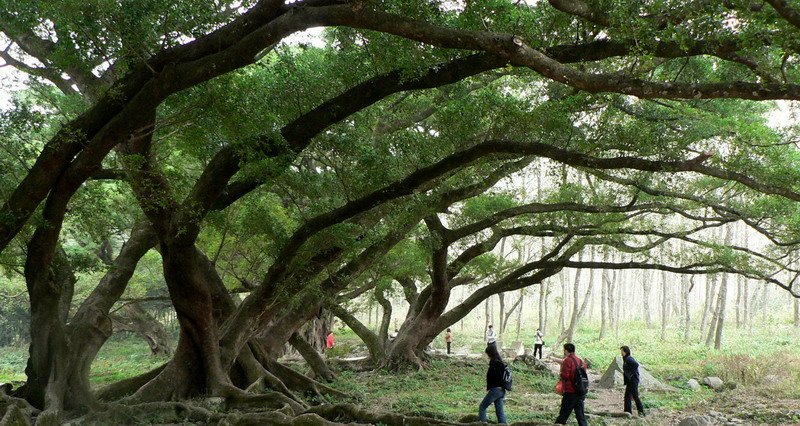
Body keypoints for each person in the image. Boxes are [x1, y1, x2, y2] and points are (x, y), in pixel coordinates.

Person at [550, 343, 588, 426]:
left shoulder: (568, 360)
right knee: (580, 415)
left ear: (566, 350)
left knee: (563, 414)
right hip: (581, 390)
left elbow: (565, 375)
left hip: (570, 391)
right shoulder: (580, 361)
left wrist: (560, 373)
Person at [478, 344, 507, 424]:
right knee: (500, 411)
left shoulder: (495, 363)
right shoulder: (500, 362)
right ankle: (503, 424)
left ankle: (482, 424)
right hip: (502, 390)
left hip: (495, 390)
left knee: (482, 407)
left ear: (490, 354)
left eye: (488, 354)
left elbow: (495, 377)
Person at [621, 345, 646, 417]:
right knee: (627, 396)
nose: (621, 352)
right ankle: (627, 411)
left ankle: (641, 411)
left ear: (625, 351)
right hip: (630, 380)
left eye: (622, 351)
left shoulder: (629, 358)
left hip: (633, 380)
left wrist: (631, 374)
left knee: (635, 395)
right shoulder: (626, 359)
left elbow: (635, 364)